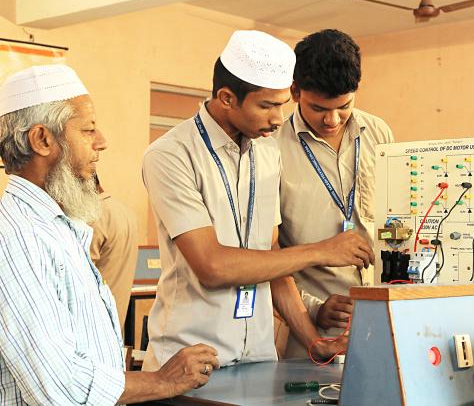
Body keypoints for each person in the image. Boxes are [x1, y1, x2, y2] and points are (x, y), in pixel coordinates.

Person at [141, 30, 374, 370]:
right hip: (189, 359)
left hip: (260, 358)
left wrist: (314, 342)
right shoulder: (171, 155)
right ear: (226, 98)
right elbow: (212, 266)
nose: (278, 119)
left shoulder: (265, 149)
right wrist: (322, 251)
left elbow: (272, 259)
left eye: (282, 105)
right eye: (267, 106)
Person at [0, 64, 219, 405]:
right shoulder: (17, 239)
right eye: (88, 130)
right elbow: (62, 387)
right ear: (42, 140)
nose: (101, 142)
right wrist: (161, 380)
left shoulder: (58, 228)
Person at [274, 29, 394, 358]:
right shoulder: (271, 148)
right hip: (312, 332)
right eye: (318, 108)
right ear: (295, 91)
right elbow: (266, 255)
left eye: (344, 106)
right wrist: (313, 308)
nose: (332, 119)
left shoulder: (379, 133)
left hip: (382, 322)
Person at [89, 173, 138, 331]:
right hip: (116, 319)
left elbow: (77, 275)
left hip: (96, 322)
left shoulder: (94, 216)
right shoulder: (125, 211)